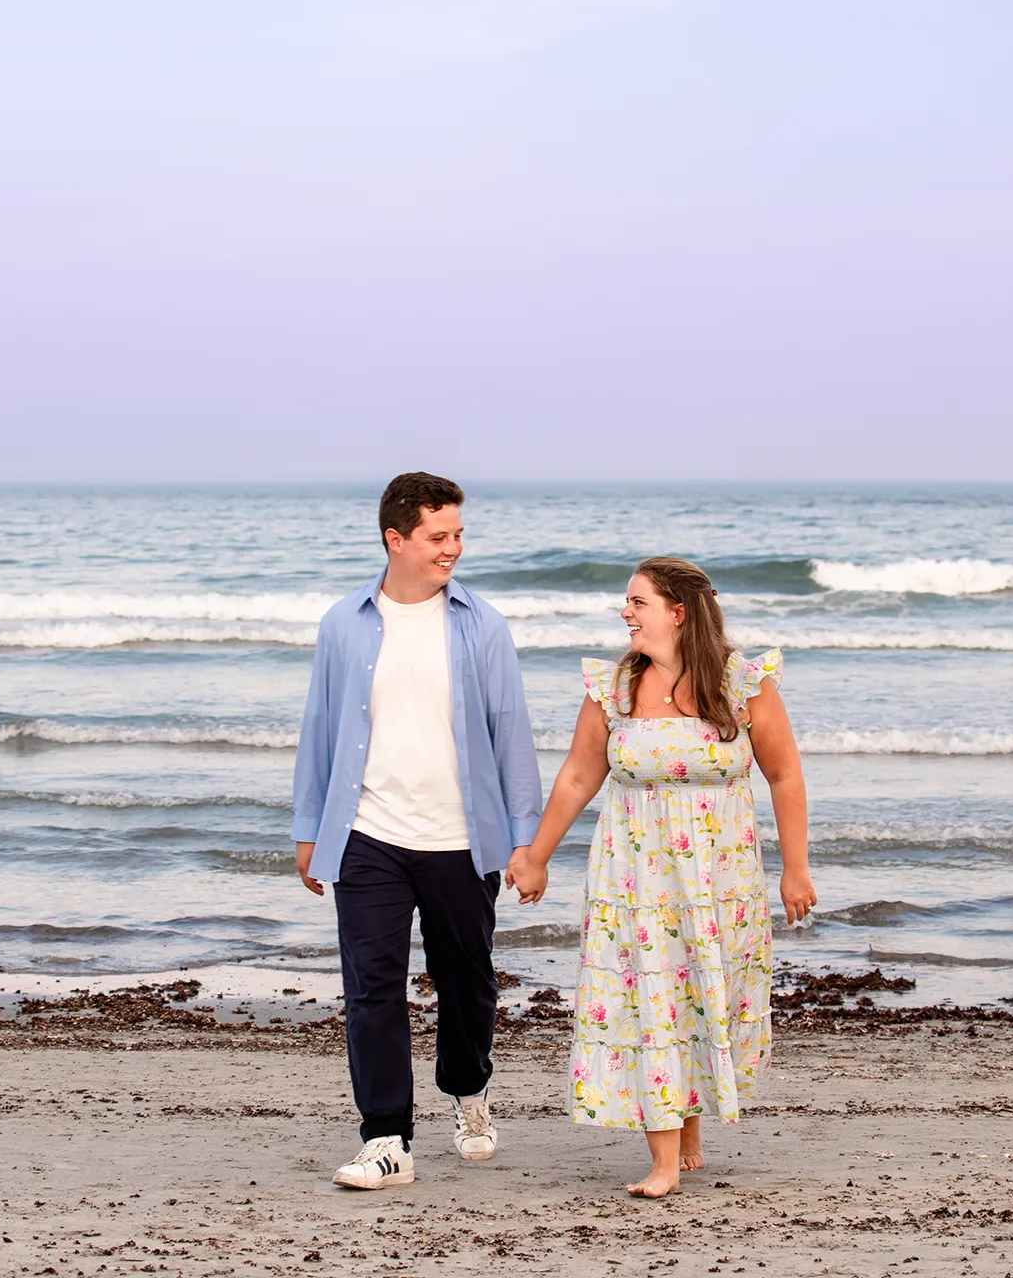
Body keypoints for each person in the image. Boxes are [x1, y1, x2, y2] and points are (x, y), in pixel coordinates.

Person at [504, 556, 815, 1198]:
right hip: (636, 880)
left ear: (678, 612)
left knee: (706, 995)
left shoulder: (742, 684)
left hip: (719, 880)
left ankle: (689, 1122)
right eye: (627, 601)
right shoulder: (613, 689)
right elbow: (578, 777)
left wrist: (796, 869)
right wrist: (536, 854)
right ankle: (665, 1161)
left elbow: (783, 776)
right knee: (648, 1003)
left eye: (637, 602)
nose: (625, 612)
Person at [291, 472, 543, 1191]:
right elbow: (319, 727)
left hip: (462, 838)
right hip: (368, 832)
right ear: (394, 539)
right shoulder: (344, 623)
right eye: (439, 536)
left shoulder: (481, 625)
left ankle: (469, 1090)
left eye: (458, 534)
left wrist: (524, 839)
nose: (453, 548)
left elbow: (510, 735)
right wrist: (310, 823)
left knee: (466, 984)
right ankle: (386, 1140)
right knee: (371, 987)